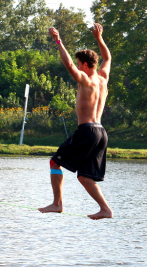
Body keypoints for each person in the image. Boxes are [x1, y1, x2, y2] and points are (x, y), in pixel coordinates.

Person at [38, 23, 113, 220]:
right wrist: (99, 38)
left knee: (55, 162)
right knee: (84, 176)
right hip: (101, 133)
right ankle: (105, 209)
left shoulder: (86, 80)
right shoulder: (103, 78)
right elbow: (107, 57)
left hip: (87, 130)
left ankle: (57, 204)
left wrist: (58, 41)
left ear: (86, 65)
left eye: (81, 64)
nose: (78, 67)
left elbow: (69, 65)